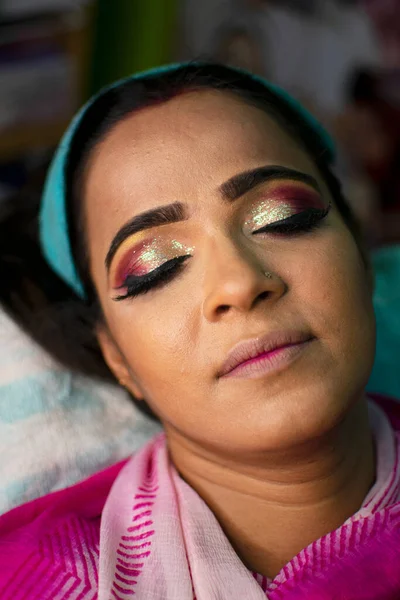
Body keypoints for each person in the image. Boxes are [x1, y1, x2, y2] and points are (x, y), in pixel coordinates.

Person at [0, 62, 400, 600]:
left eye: (281, 217)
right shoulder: (40, 580)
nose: (237, 283)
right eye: (157, 267)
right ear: (117, 357)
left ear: (359, 253)